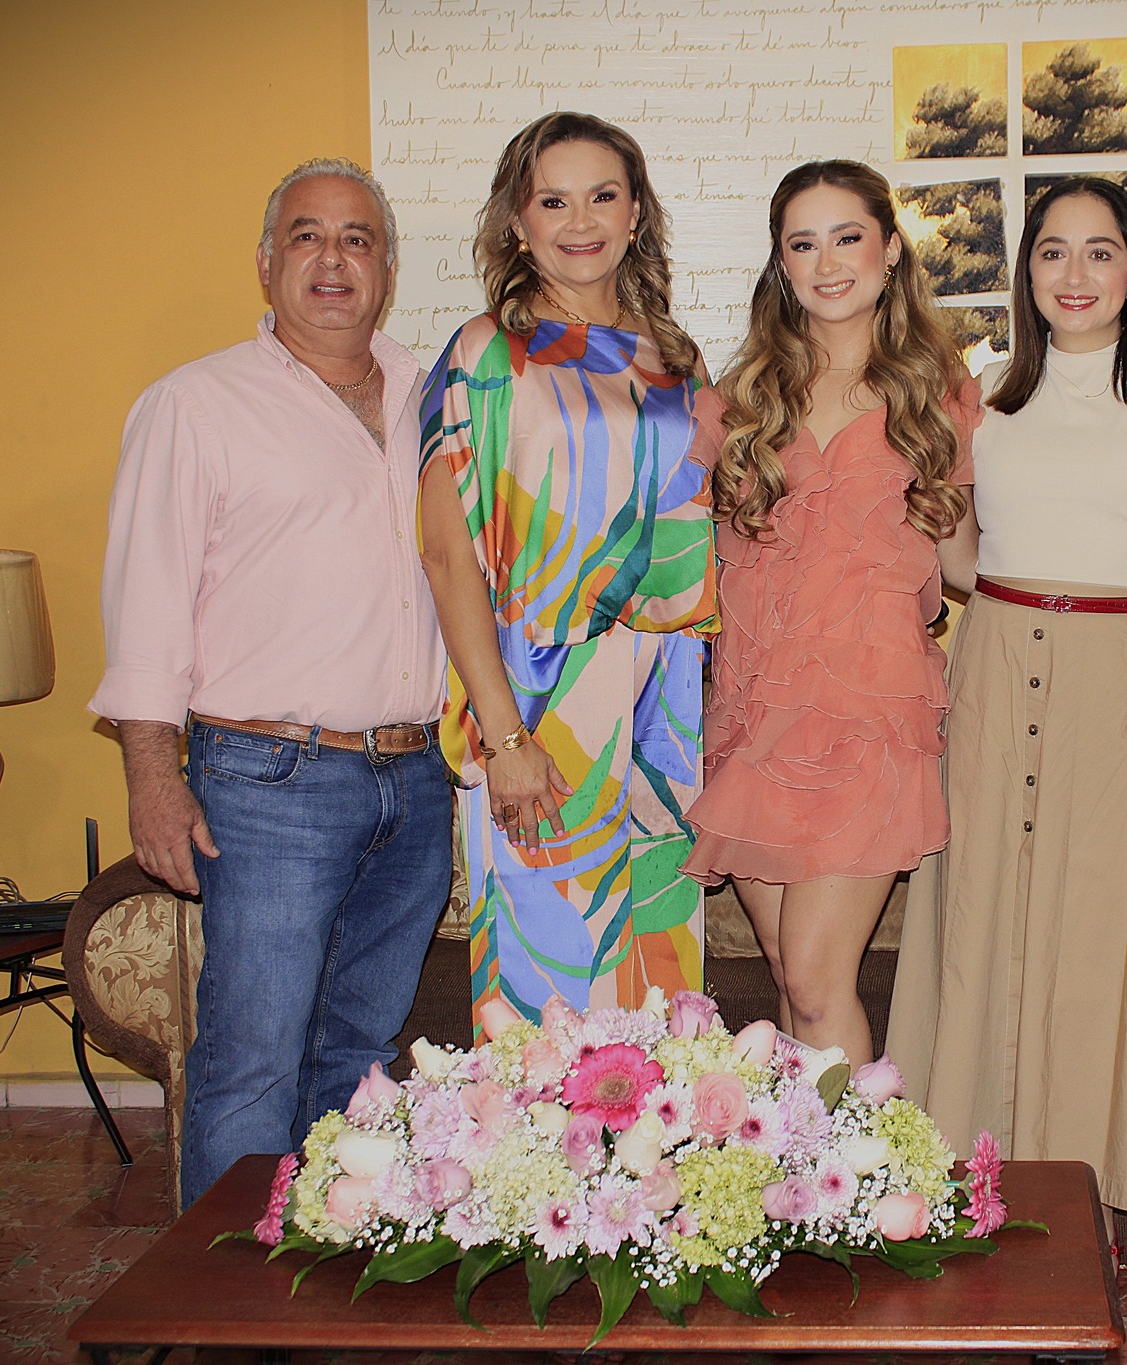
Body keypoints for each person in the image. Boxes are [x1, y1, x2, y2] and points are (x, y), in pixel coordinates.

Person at [91, 159, 451, 1209]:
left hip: (414, 777)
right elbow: (146, 605)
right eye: (307, 236)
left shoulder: (435, 397)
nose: (333, 259)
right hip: (265, 782)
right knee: (252, 1055)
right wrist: (154, 780)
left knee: (361, 1050)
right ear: (265, 263)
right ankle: (229, 1287)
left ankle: (328, 1253)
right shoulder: (194, 405)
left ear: (386, 269)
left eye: (356, 239)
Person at [886, 176, 1127, 1214]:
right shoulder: (980, 396)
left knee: (1099, 932)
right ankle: (970, 1177)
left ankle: (1085, 1193)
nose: (1074, 274)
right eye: (1051, 251)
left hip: (1120, 680)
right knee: (984, 915)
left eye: (1099, 251)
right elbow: (955, 554)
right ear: (1024, 271)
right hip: (995, 664)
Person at [418, 112, 717, 1028]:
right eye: (553, 201)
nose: (580, 221)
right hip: (542, 701)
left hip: (667, 698)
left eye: (602, 196)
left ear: (636, 214)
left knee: (662, 983)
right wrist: (503, 736)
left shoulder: (676, 356)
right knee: (548, 983)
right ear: (518, 221)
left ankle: (663, 1130)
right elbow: (448, 556)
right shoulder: (484, 353)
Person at [683, 160, 978, 1065]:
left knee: (815, 978)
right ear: (782, 264)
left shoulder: (939, 394)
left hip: (869, 716)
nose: (828, 262)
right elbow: (685, 558)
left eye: (847, 237)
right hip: (754, 715)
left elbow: (966, 561)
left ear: (890, 249)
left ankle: (860, 1159)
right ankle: (804, 1156)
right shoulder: (739, 401)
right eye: (803, 244)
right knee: (786, 973)